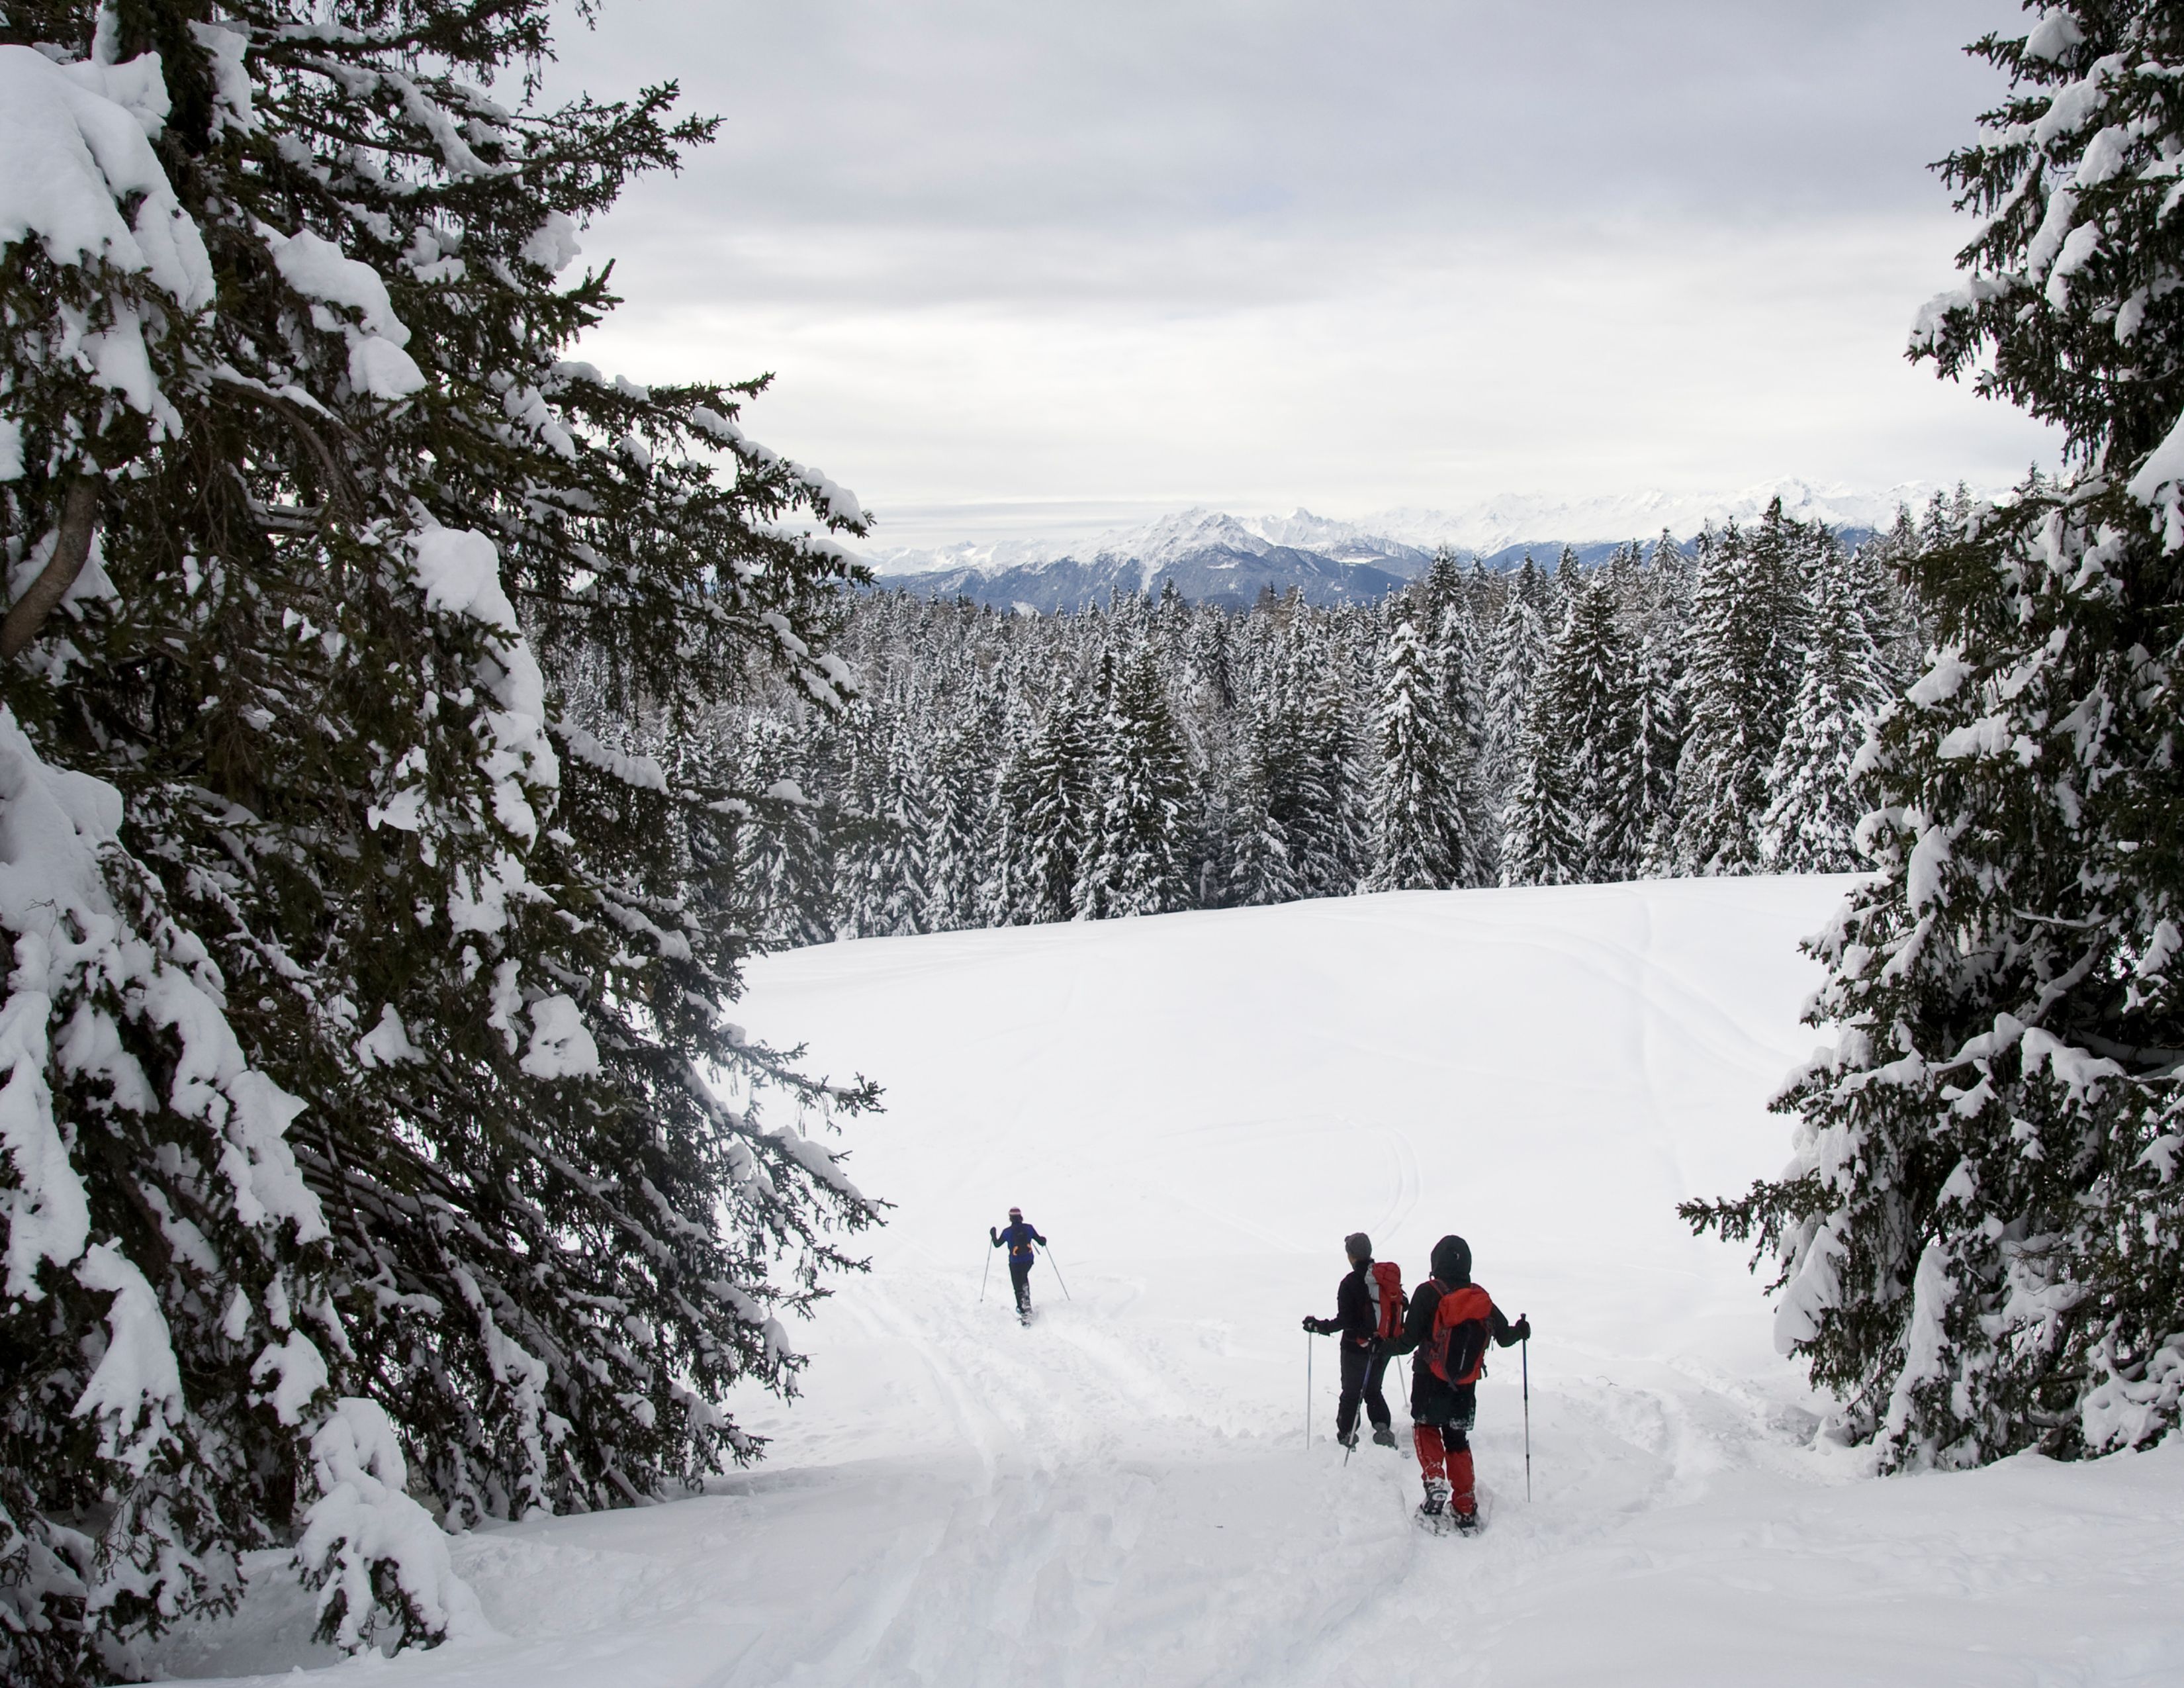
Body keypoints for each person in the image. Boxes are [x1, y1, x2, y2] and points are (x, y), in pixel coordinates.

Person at [1387, 1233, 1529, 1533]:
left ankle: (1435, 1480)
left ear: (1435, 1261)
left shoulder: (1428, 1293)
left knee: (1425, 1427)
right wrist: (1521, 1330)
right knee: (1457, 1440)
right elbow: (1504, 1338)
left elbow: (1406, 1342)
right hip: (1465, 1386)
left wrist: (1381, 1344)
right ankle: (1465, 1505)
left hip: (1428, 1378)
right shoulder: (1480, 1297)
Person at [1300, 1231, 1397, 1450]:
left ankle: (1347, 1436)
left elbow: (1345, 1320)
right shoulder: (1385, 1277)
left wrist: (1319, 1327)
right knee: (1374, 1389)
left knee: (1352, 1393)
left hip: (1356, 1347)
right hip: (1384, 1345)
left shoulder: (1350, 1283)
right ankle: (1382, 1429)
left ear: (1351, 1256)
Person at [990, 1206, 1047, 1321]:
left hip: (1015, 1262)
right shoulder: (1029, 1228)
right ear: (1021, 1217)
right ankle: (1027, 1302)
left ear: (1010, 1218)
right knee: (1024, 1277)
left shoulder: (1007, 1232)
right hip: (1028, 1260)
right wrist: (1044, 1239)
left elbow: (997, 1244)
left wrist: (993, 1234)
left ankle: (1024, 1311)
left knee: (1018, 1286)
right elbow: (1041, 1241)